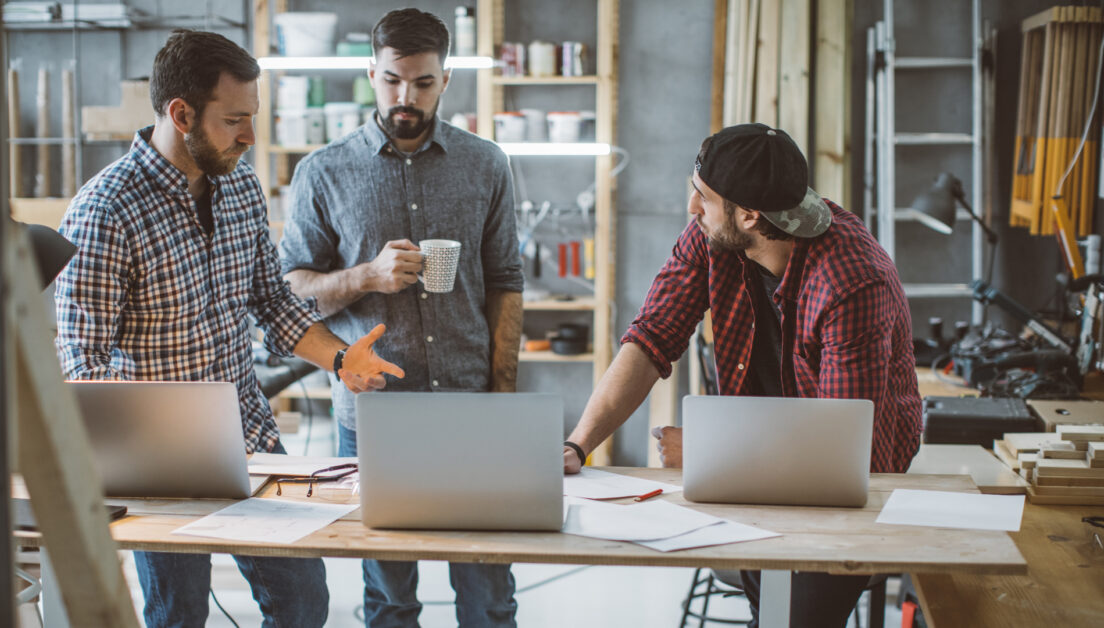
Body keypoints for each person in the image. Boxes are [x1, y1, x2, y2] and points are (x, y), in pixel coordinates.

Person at [55, 29, 403, 628]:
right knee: (179, 614)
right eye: (234, 119)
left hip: (248, 434)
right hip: (158, 460)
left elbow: (271, 301)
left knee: (301, 599)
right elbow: (81, 365)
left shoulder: (239, 184)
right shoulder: (104, 211)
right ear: (181, 112)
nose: (250, 135)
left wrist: (343, 361)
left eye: (253, 117)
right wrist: (152, 442)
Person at [561, 123, 923, 627]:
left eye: (703, 198)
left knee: (801, 620)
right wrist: (578, 445)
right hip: (759, 473)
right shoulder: (713, 236)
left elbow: (843, 454)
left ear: (751, 214)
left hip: (852, 483)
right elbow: (649, 339)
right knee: (767, 612)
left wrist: (715, 455)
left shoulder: (852, 282)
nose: (692, 208)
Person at [278, 8, 524, 627]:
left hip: (472, 406)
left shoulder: (487, 164)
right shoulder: (322, 171)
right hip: (374, 414)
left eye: (420, 82)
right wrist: (366, 276)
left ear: (446, 81)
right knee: (389, 599)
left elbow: (505, 283)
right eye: (391, 80)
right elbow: (292, 292)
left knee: (490, 598)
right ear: (371, 73)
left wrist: (503, 393)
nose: (404, 97)